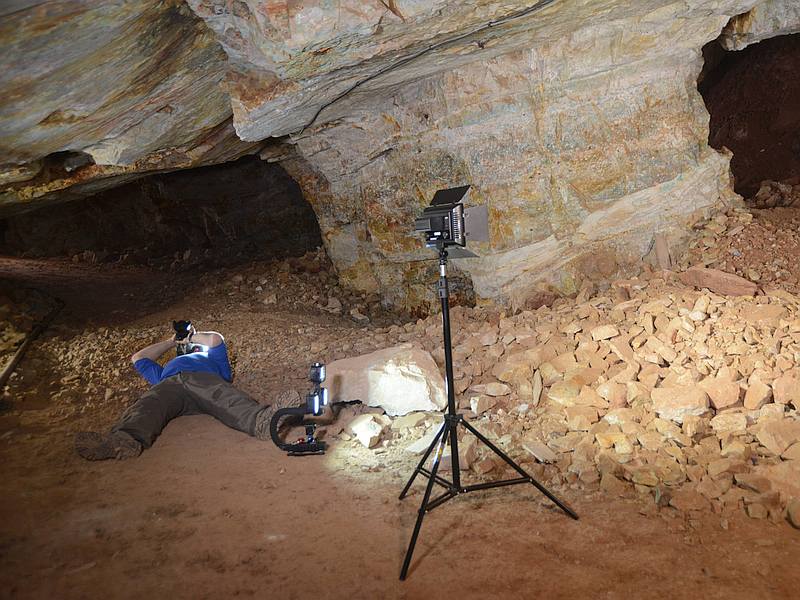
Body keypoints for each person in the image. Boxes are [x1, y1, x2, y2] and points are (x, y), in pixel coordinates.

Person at [75, 325, 297, 460]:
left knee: (222, 396)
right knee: (150, 402)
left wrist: (191, 337)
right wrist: (171, 342)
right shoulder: (166, 369)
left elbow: (215, 340)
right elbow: (138, 358)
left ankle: (263, 422)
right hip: (171, 385)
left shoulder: (212, 358)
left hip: (203, 381)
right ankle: (124, 440)